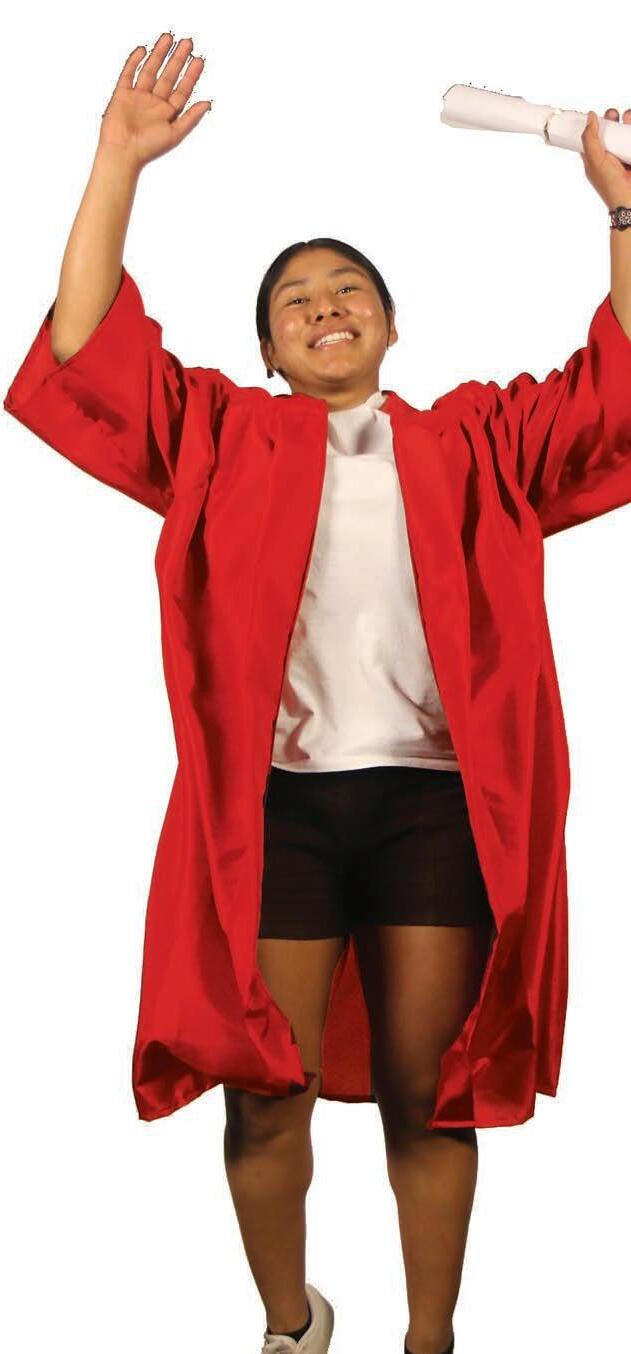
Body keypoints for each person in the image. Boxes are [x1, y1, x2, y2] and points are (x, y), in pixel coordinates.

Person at [5, 30, 631, 1354]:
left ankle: (430, 1339)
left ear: (392, 324)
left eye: (350, 287)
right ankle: (292, 1324)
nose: (324, 302)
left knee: (428, 1092)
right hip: (275, 812)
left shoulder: (476, 439)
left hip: (435, 808)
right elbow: (83, 347)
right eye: (295, 296)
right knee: (262, 1094)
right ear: (268, 346)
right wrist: (118, 160)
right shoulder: (222, 436)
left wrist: (624, 209)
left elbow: (620, 388)